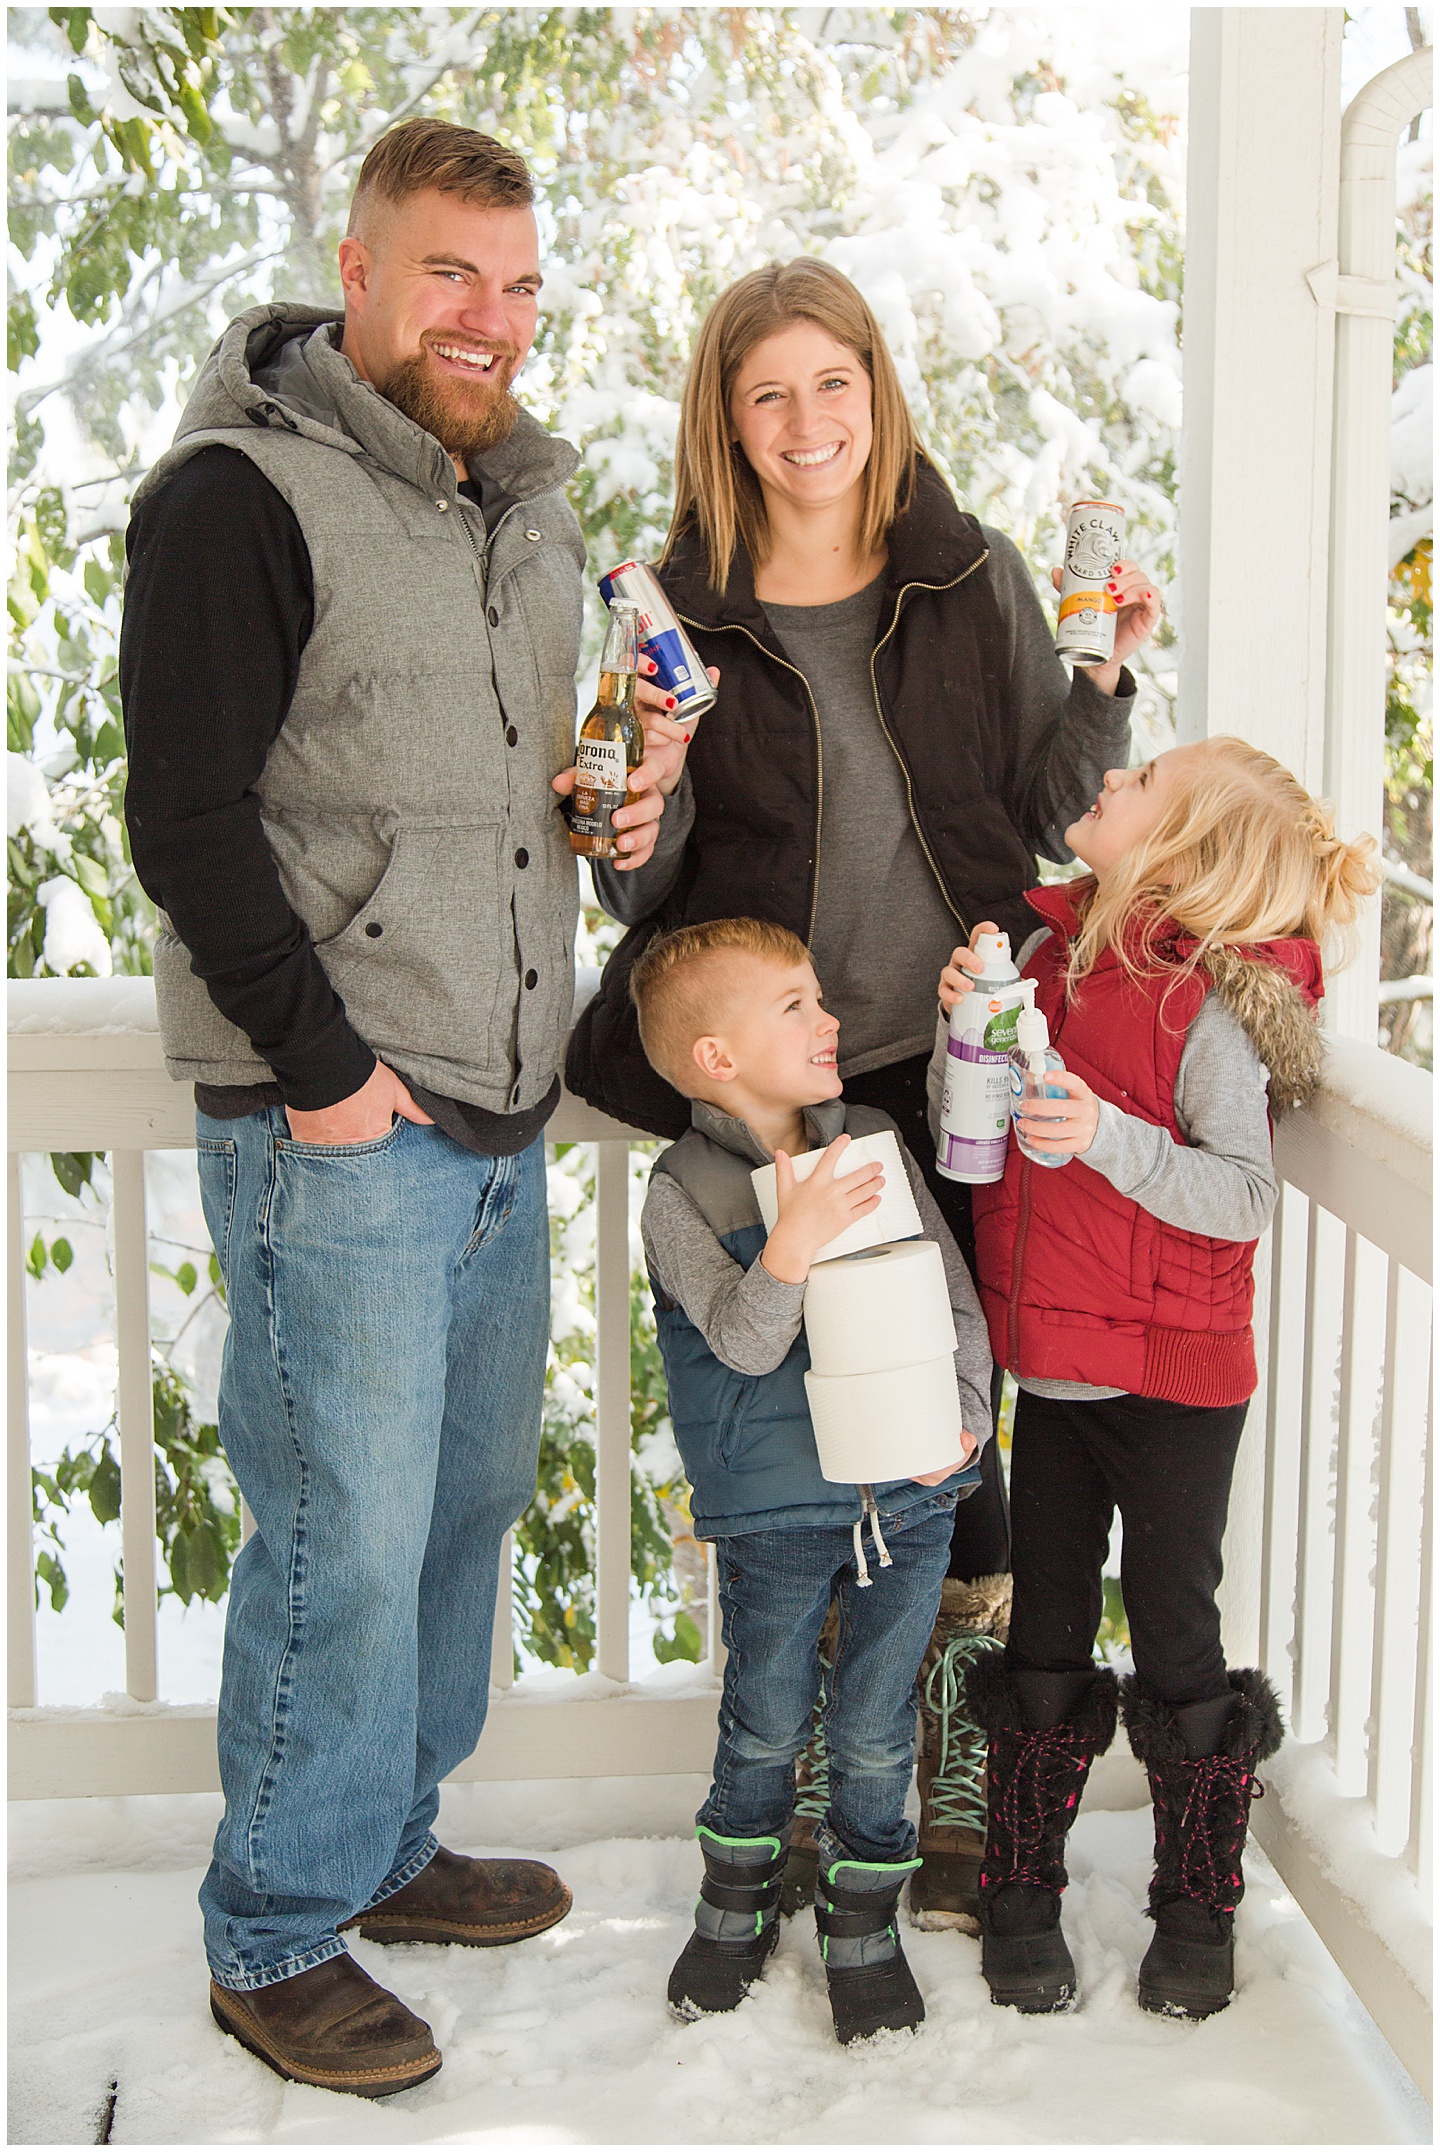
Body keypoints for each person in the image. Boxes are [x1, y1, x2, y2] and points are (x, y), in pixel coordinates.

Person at [119, 119, 679, 2099]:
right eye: (454, 275)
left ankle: (383, 1841)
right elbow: (185, 825)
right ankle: (273, 1923)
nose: (493, 322)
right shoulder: (238, 498)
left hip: (497, 1117)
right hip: (341, 1119)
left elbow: (543, 821)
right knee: (338, 1537)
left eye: (522, 287)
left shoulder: (513, 510)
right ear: (355, 270)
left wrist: (626, 801)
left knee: (447, 1516)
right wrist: (329, 1076)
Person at [568, 256, 1164, 1926]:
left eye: (834, 383)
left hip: (954, 1043)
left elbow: (1048, 808)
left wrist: (1106, 683)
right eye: (770, 393)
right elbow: (640, 892)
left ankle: (950, 1740)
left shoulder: (967, 577)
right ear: (727, 418)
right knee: (812, 1394)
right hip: (788, 1079)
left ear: (878, 391)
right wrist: (638, 807)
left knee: (955, 1390)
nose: (807, 421)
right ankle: (835, 1740)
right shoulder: (672, 616)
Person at [928, 738, 1376, 2022]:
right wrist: (971, 1021)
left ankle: (1197, 1909)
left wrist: (1107, 1140)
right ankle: (1021, 1888)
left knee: (1176, 1625)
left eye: (1141, 785)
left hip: (1176, 1379)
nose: (1110, 784)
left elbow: (1239, 1198)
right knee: (1048, 1622)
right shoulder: (1049, 959)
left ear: (1179, 850)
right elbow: (983, 1148)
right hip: (1058, 1360)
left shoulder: (1213, 1007)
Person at [629, 917, 993, 2045]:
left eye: (820, 996)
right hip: (776, 1511)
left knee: (879, 1725)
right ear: (718, 1059)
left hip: (911, 1497)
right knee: (768, 1715)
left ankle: (863, 1921)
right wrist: (792, 1238)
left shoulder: (876, 1140)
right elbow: (741, 1341)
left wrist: (967, 1427)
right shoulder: (679, 1192)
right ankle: (733, 1903)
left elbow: (955, 1302)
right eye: (796, 1005)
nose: (831, 1018)